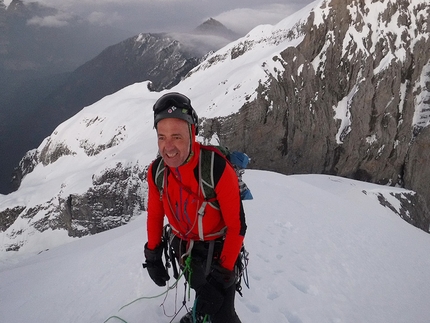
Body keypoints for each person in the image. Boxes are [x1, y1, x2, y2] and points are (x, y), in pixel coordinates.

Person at [143, 92, 247, 323]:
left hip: (220, 253)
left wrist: (221, 277)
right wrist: (152, 254)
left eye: (177, 137)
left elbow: (237, 226)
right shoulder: (157, 172)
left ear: (192, 134)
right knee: (203, 293)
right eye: (162, 137)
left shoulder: (216, 168)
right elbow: (155, 214)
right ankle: (201, 315)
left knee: (224, 314)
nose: (168, 147)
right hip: (186, 252)